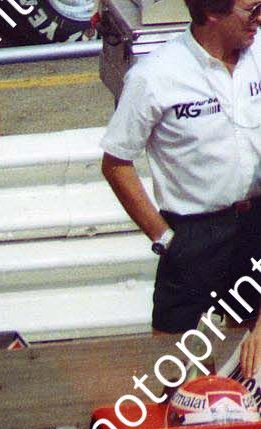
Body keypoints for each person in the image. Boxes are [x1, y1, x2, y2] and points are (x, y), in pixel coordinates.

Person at [100, 0, 261, 342]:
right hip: (192, 235)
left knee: (249, 358)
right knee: (172, 360)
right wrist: (164, 239)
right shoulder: (155, 75)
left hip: (255, 227)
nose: (260, 17)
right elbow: (116, 163)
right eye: (253, 8)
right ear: (213, 12)